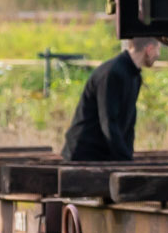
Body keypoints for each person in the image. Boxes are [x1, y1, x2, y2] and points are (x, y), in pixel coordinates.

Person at [60, 36, 162, 166]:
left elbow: (129, 123)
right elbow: (108, 121)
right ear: (149, 49)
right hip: (84, 154)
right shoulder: (112, 73)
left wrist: (127, 156)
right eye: (158, 49)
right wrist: (125, 161)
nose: (158, 55)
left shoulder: (134, 76)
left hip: (103, 154)